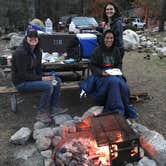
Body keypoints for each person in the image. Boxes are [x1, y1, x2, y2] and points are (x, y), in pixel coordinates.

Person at [11, 28, 67, 123]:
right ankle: (41, 113)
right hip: (21, 82)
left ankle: (54, 108)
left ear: (38, 38)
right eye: (30, 37)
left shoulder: (38, 52)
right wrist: (42, 78)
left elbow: (38, 69)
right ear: (26, 38)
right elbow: (22, 75)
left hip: (32, 78)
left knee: (56, 80)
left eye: (35, 37)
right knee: (48, 86)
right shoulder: (20, 53)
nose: (33, 39)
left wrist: (47, 77)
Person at [80, 30, 138, 119]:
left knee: (123, 85)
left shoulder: (116, 50)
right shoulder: (97, 51)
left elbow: (119, 63)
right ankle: (116, 110)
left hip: (114, 73)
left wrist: (118, 70)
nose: (109, 40)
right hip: (101, 76)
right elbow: (92, 66)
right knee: (114, 83)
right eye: (107, 38)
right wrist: (101, 72)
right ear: (103, 38)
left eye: (111, 38)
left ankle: (126, 107)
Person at [95, 2, 124, 68]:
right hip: (109, 49)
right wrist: (96, 28)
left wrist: (100, 39)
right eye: (107, 9)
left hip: (116, 50)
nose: (109, 11)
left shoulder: (117, 23)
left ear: (115, 10)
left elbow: (114, 39)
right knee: (108, 70)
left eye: (111, 9)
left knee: (115, 71)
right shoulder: (108, 22)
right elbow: (104, 31)